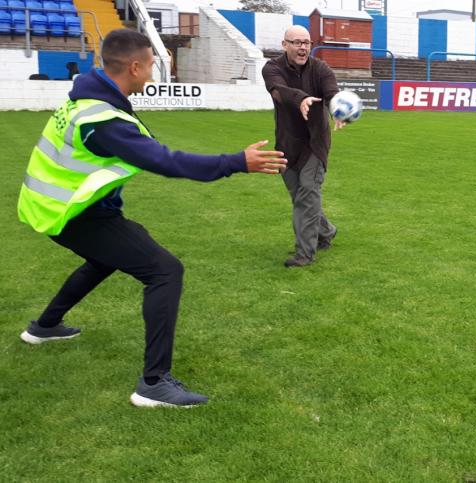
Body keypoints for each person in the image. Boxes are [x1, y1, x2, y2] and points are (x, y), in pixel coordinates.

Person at [17, 29, 287, 408]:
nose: (153, 74)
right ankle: (153, 383)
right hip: (71, 213)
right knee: (164, 270)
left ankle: (44, 327)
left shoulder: (92, 100)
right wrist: (236, 162)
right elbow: (165, 161)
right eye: (151, 66)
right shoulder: (103, 120)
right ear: (134, 66)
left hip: (57, 207)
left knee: (104, 260)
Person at [261, 25, 346, 268]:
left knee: (308, 191)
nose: (302, 47)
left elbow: (331, 92)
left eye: (306, 43)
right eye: (296, 42)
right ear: (284, 44)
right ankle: (327, 231)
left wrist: (336, 108)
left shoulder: (321, 69)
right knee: (300, 197)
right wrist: (301, 99)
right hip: (287, 143)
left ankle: (304, 254)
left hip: (315, 142)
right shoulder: (272, 68)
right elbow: (278, 91)